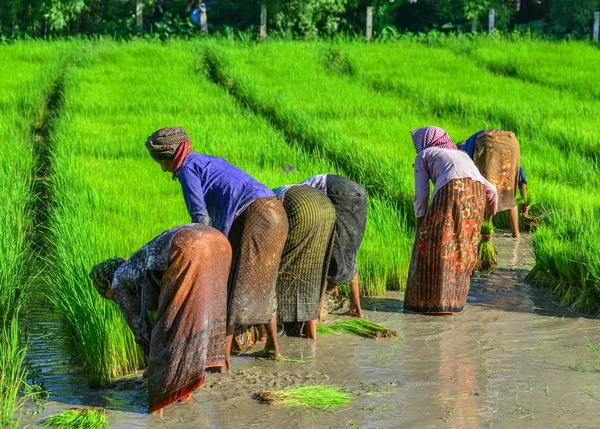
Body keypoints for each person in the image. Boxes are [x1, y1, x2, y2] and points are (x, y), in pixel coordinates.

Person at [145, 127, 288, 368]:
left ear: (172, 155)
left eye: (163, 161)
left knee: (234, 287)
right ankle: (272, 346)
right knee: (264, 284)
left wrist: (203, 251)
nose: (162, 167)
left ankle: (222, 361)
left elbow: (199, 216)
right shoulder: (204, 160)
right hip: (275, 212)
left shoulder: (187, 168)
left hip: (255, 216)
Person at [89, 224, 231, 413]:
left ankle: (160, 406)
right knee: (200, 313)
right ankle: (188, 389)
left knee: (170, 328)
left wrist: (153, 363)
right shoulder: (135, 268)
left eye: (107, 295)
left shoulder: (117, 281)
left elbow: (139, 325)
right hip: (218, 241)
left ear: (107, 284)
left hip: (185, 247)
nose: (113, 299)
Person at [405, 126, 498, 315]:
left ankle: (429, 304)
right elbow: (492, 191)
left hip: (452, 190)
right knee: (464, 248)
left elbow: (421, 196)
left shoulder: (424, 155)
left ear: (424, 142)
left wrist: (420, 228)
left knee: (434, 245)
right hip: (477, 195)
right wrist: (488, 221)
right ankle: (454, 304)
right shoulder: (463, 156)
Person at [287, 174, 368, 318]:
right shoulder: (299, 189)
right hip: (359, 193)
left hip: (337, 192)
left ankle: (316, 315)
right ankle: (357, 310)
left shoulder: (294, 194)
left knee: (332, 258)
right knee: (349, 255)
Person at [272, 185, 336, 338]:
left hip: (303, 208)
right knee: (313, 269)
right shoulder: (278, 192)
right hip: (328, 208)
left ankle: (273, 329)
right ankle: (311, 336)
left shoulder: (266, 201)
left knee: (281, 268)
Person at [459, 129, 529, 238]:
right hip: (511, 141)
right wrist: (525, 199)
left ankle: (487, 234)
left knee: (487, 189)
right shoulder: (473, 141)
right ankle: (516, 235)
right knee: (508, 192)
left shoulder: (463, 150)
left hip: (488, 143)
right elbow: (519, 172)